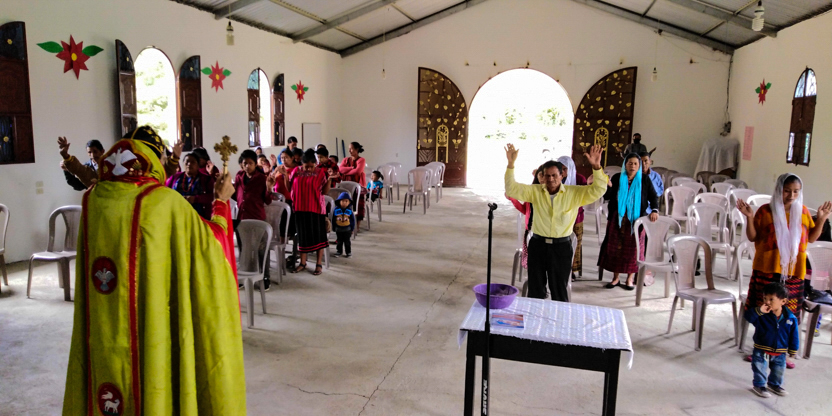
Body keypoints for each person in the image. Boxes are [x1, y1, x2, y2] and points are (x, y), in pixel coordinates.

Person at [62, 126, 246, 415]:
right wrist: (221, 201)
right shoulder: (164, 202)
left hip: (103, 323)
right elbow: (213, 245)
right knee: (150, 366)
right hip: (149, 320)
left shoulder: (93, 199)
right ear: (152, 158)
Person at [737, 173, 831, 367]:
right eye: (787, 191)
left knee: (788, 313)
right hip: (767, 268)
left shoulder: (802, 212)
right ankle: (760, 350)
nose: (791, 196)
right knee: (765, 310)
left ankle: (781, 354)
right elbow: (753, 237)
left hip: (793, 271)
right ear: (779, 190)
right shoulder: (765, 211)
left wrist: (822, 219)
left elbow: (811, 238)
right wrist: (749, 217)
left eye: (796, 191)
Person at [504, 143, 607, 302]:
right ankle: (535, 317)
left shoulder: (574, 193)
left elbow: (598, 190)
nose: (550, 179)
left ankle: (559, 318)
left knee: (559, 291)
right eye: (547, 176)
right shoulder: (536, 192)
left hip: (561, 248)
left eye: (554, 175)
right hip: (538, 246)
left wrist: (597, 167)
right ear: (542, 177)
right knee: (535, 291)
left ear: (562, 175)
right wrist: (511, 165)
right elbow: (512, 189)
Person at [598, 153, 660, 290]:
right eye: (630, 163)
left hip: (636, 221)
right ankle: (615, 278)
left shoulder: (644, 179)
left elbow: (653, 197)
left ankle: (630, 279)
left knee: (634, 250)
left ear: (639, 166)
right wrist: (608, 186)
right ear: (625, 165)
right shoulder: (617, 177)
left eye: (635, 164)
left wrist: (655, 210)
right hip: (618, 219)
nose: (632, 166)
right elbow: (607, 197)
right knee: (616, 248)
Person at [744, 283, 799, 398]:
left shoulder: (790, 318)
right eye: (765, 298)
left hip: (780, 350)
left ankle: (774, 385)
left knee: (778, 370)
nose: (767, 302)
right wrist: (759, 310)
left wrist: (793, 349)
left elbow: (794, 335)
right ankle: (759, 385)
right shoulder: (761, 315)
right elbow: (748, 317)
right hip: (761, 348)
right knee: (759, 368)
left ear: (783, 301)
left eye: (771, 299)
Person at [233, 149, 276, 287]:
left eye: (250, 163)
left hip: (257, 218)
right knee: (243, 248)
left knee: (261, 249)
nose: (247, 166)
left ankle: (265, 277)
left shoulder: (261, 178)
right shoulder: (239, 176)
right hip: (242, 217)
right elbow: (235, 195)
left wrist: (269, 188)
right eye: (245, 163)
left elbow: (268, 200)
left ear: (255, 164)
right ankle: (244, 274)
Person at [287, 149, 330, 275]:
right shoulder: (296, 171)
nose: (309, 169)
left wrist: (330, 179)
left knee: (319, 237)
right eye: (306, 166)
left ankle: (318, 264)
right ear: (302, 164)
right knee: (302, 237)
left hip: (316, 209)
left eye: (312, 166)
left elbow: (324, 191)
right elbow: (289, 188)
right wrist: (284, 176)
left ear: (315, 164)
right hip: (300, 208)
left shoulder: (320, 172)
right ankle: (303, 263)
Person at [557, 156, 588, 280]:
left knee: (574, 243)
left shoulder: (579, 179)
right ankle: (559, 267)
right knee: (560, 243)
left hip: (576, 217)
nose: (563, 172)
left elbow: (585, 195)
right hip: (559, 217)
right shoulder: (556, 179)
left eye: (565, 169)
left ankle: (571, 269)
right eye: (560, 168)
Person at [165, 153, 214, 219]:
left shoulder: (206, 179)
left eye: (193, 162)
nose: (189, 164)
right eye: (187, 161)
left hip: (198, 216)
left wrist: (195, 199)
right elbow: (166, 191)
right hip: (177, 213)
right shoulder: (175, 177)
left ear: (198, 165)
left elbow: (212, 196)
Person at [339, 142, 367, 230]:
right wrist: (351, 168)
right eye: (349, 149)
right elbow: (341, 169)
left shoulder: (361, 160)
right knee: (344, 203)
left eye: (351, 149)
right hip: (346, 185)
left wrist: (346, 171)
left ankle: (357, 225)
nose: (349, 151)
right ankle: (345, 223)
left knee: (358, 204)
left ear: (356, 150)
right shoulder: (345, 160)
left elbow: (358, 171)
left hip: (358, 185)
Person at [333, 191, 355, 258]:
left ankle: (348, 252)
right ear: (339, 201)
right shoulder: (336, 210)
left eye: (346, 201)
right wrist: (334, 227)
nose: (344, 203)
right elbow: (333, 219)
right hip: (338, 229)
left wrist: (352, 229)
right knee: (339, 241)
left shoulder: (349, 211)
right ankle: (339, 251)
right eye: (342, 201)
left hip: (347, 229)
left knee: (347, 242)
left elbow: (352, 220)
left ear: (349, 202)